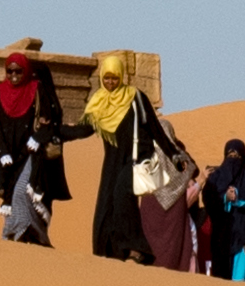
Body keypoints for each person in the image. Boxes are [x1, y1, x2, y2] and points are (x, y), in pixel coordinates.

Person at [80, 52, 187, 264]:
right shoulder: (98, 103)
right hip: (112, 162)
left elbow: (155, 129)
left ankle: (137, 249)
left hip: (136, 158)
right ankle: (109, 252)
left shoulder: (135, 97)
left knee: (122, 195)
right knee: (105, 206)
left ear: (121, 77)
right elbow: (84, 130)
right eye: (107, 78)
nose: (111, 83)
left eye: (115, 78)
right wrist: (53, 135)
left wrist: (174, 154)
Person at [0, 48, 73, 237]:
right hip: (10, 152)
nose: (14, 75)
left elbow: (49, 118)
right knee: (12, 191)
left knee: (23, 190)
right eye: (10, 71)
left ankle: (28, 232)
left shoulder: (36, 90)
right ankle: (14, 234)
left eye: (18, 71)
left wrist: (37, 137)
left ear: (26, 71)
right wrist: (3, 150)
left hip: (32, 152)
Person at [201, 139, 245, 280]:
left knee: (240, 282)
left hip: (243, 237)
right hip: (221, 237)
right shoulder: (216, 177)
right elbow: (208, 198)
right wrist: (225, 197)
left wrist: (240, 198)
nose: (233, 160)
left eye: (237, 157)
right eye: (230, 156)